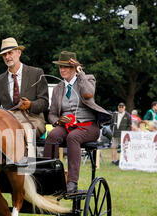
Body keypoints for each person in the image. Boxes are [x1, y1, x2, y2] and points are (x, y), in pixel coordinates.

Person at [44, 51, 111, 193]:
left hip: (89, 126)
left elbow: (89, 94)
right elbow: (52, 114)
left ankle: (72, 183)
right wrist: (58, 122)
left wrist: (81, 73)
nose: (62, 70)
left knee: (73, 137)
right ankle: (49, 177)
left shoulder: (88, 80)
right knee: (52, 135)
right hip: (67, 126)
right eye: (61, 67)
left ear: (75, 68)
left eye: (67, 67)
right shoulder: (57, 89)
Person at [0, 37, 49, 158]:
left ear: (19, 52)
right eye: (4, 55)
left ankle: (28, 170)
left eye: (10, 53)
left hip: (33, 120)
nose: (7, 57)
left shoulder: (36, 73)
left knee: (24, 131)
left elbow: (44, 102)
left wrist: (31, 105)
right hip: (8, 122)